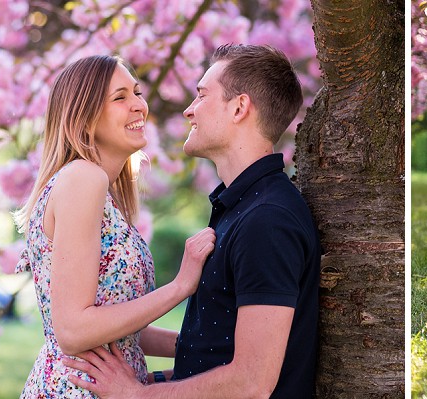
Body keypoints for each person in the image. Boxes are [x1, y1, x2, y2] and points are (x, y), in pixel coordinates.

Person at [63, 45, 322, 398]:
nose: (188, 110)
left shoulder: (267, 220)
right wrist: (149, 382)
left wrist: (137, 395)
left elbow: (252, 382)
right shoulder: (241, 208)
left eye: (201, 95)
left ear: (239, 108)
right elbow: (215, 353)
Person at [14, 55, 217, 398]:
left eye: (136, 92)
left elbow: (122, 334)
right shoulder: (83, 178)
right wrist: (180, 286)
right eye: (120, 97)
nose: (139, 105)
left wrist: (206, 349)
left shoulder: (100, 191)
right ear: (85, 119)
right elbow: (74, 331)